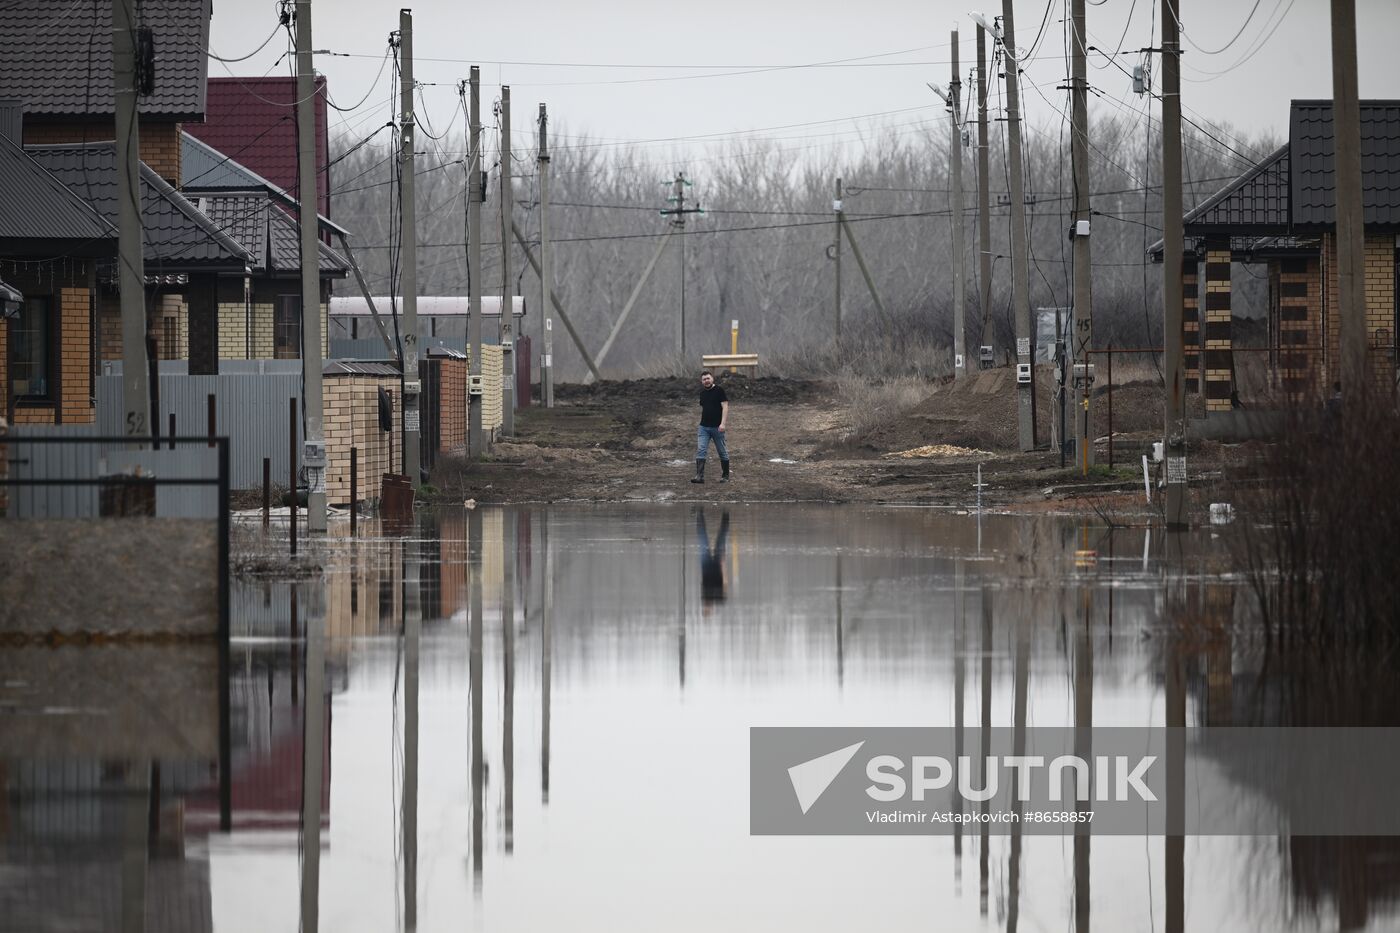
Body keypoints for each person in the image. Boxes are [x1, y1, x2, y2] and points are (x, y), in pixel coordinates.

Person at [691, 369, 730, 483]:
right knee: (701, 450)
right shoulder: (702, 394)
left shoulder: (719, 390)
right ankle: (699, 476)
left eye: (708, 378)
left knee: (722, 451)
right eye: (704, 379)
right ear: (701, 381)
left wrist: (723, 423)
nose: (706, 381)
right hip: (703, 427)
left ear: (712, 378)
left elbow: (725, 407)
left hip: (717, 428)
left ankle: (725, 476)